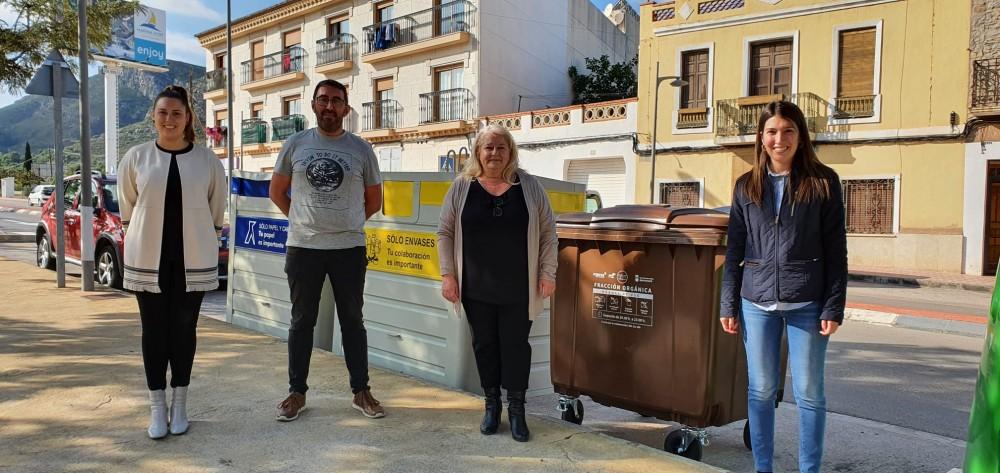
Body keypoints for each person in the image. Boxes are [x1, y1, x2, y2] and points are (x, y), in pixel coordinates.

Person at [719, 100, 848, 473]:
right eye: (772, 131)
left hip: (808, 302)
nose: (780, 139)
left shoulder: (823, 182)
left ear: (801, 136)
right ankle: (763, 467)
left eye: (788, 130)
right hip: (755, 302)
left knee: (809, 393)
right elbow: (735, 249)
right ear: (761, 138)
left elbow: (836, 250)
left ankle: (810, 469)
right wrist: (728, 303)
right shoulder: (746, 186)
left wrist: (833, 306)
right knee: (760, 391)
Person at [269, 79, 385, 422]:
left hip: (348, 248)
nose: (329, 106)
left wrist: (348, 223)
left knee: (353, 321)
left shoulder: (361, 149)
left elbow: (374, 200)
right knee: (301, 321)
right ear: (313, 105)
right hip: (303, 247)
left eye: (336, 100)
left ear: (346, 108)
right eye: (323, 99)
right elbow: (277, 191)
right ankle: (296, 393)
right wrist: (302, 221)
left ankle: (361, 391)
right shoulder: (295, 144)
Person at [118, 85, 227, 439]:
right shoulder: (136, 157)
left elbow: (216, 209)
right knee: (153, 332)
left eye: (177, 113)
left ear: (188, 118)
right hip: (147, 258)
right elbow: (127, 207)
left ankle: (180, 405)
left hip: (192, 259)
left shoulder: (208, 161)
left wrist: (206, 237)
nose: (169, 119)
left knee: (183, 331)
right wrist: (141, 234)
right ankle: (157, 408)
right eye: (163, 112)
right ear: (153, 116)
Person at [437, 124, 558, 442]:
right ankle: (492, 406)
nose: (494, 153)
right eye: (488, 147)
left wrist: (548, 273)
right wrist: (448, 275)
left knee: (516, 347)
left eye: (501, 147)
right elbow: (445, 232)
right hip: (475, 288)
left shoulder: (529, 186)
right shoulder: (462, 187)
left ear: (510, 152)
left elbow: (548, 233)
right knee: (484, 346)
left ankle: (517, 410)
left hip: (519, 288)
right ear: (478, 152)